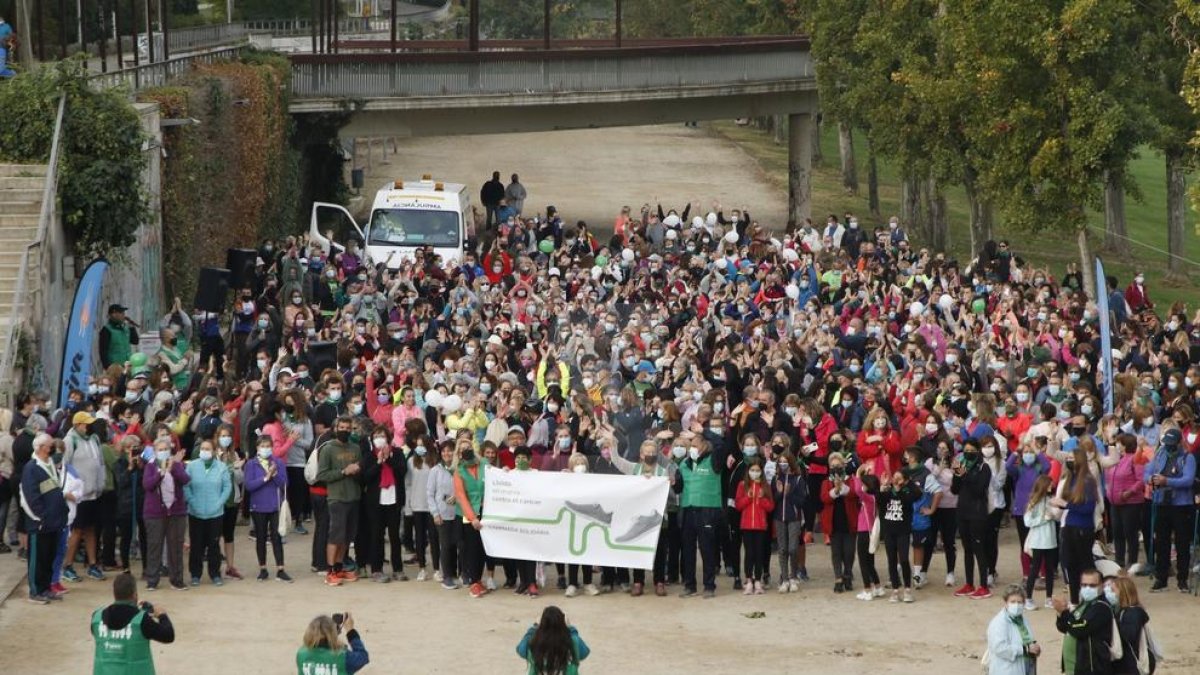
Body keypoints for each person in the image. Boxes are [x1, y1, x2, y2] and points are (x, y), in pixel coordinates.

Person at [1143, 427, 1196, 592]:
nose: (1168, 446)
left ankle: (1182, 579)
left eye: (1172, 443)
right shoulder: (1160, 454)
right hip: (1161, 503)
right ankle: (1161, 578)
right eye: (1166, 443)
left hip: (1181, 505)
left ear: (1179, 442)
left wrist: (1168, 481)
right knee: (1161, 543)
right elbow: (1147, 473)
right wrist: (1151, 479)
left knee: (1182, 543)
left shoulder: (1188, 457)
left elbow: (1188, 480)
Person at [91, 573, 174, 674]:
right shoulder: (142, 620)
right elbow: (168, 636)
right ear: (135, 594)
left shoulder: (96, 617)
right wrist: (162, 615)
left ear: (114, 593)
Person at [20, 432, 66, 604]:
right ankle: (35, 591)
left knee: (49, 557)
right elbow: (30, 497)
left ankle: (46, 588)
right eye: (49, 445)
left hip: (54, 522)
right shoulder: (31, 468)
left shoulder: (50, 464)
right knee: (37, 559)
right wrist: (40, 517)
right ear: (41, 448)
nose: (52, 447)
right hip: (40, 523)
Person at [142, 439, 190, 591]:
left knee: (175, 546)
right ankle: (152, 580)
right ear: (155, 452)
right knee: (154, 546)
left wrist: (173, 468)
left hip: (176, 512)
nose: (163, 452)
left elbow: (185, 479)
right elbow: (148, 485)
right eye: (160, 449)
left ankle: (176, 579)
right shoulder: (150, 466)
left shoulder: (177, 465)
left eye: (166, 449)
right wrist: (161, 473)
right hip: (155, 513)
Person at [183, 438, 231, 587]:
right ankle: (195, 574)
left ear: (214, 451)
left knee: (214, 544)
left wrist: (219, 503)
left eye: (208, 448)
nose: (204, 451)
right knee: (196, 545)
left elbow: (227, 487)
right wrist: (192, 502)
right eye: (202, 448)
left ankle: (215, 573)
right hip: (195, 512)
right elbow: (186, 486)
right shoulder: (191, 467)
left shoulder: (221, 467)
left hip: (215, 513)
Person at [245, 435, 293, 583]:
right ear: (257, 447)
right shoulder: (251, 464)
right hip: (258, 505)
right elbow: (249, 485)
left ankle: (280, 569)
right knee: (260, 537)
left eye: (268, 446)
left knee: (277, 537)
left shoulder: (278, 462)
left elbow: (285, 483)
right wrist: (266, 477)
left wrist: (275, 474)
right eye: (262, 446)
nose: (265, 449)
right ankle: (263, 568)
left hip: (275, 505)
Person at [1053, 568, 1114, 675]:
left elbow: (1080, 629)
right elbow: (1064, 628)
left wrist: (1065, 612)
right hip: (1073, 666)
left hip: (1091, 668)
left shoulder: (1101, 607)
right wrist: (1060, 613)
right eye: (1084, 585)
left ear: (1102, 586)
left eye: (1092, 585)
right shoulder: (1084, 604)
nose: (1087, 588)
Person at [734, 456, 774, 595]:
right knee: (749, 554)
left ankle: (758, 580)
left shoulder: (765, 486)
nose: (755, 473)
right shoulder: (742, 485)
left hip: (760, 526)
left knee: (759, 554)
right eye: (752, 470)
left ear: (761, 472)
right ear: (748, 471)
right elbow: (738, 505)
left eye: (757, 470)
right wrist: (748, 497)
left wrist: (762, 498)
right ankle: (749, 580)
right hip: (746, 526)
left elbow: (770, 507)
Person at [516, 606, 590, 675]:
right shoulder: (572, 641)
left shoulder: (533, 641)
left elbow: (520, 650)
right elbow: (584, 653)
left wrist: (534, 627)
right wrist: (571, 629)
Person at [1022, 474, 1059, 610]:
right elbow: (1027, 521)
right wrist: (1044, 518)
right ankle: (1028, 598)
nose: (1051, 487)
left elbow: (1056, 517)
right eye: (1049, 484)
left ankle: (1049, 598)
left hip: (1051, 540)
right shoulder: (1034, 502)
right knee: (1034, 569)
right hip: (1038, 541)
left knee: (1049, 570)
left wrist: (1055, 514)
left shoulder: (1051, 500)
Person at [986, 584, 1041, 675]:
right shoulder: (999, 623)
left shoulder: (1023, 620)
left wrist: (1035, 648)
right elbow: (999, 648)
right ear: (1006, 603)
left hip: (1026, 667)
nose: (1016, 605)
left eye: (1019, 602)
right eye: (1013, 601)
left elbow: (1028, 640)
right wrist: (1024, 650)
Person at [1108, 575, 1158, 675]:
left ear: (1123, 592)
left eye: (1113, 590)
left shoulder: (1133, 612)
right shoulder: (1120, 611)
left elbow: (1129, 636)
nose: (1110, 594)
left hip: (1131, 665)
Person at [296, 613, 370, 675]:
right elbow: (363, 656)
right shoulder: (342, 657)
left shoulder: (301, 654)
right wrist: (350, 630)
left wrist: (331, 635)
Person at [99, 304, 139, 370]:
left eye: (123, 312)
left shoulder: (125, 328)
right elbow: (103, 351)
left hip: (127, 366)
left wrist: (132, 327)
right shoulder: (106, 330)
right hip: (115, 368)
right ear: (113, 314)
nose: (123, 314)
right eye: (121, 312)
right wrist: (107, 368)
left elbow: (135, 341)